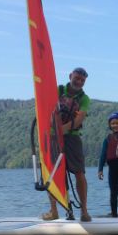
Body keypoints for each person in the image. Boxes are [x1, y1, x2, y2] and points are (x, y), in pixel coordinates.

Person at [42, 67, 91, 222]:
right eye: (77, 78)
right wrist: (54, 131)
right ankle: (54, 211)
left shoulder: (84, 98)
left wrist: (61, 130)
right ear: (70, 76)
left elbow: (79, 120)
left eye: (82, 80)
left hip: (72, 137)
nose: (79, 82)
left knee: (79, 173)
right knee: (53, 173)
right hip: (53, 137)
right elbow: (47, 106)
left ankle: (84, 211)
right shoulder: (59, 90)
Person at [98, 112, 118, 217]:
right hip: (112, 168)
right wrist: (100, 169)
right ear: (110, 125)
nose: (115, 125)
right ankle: (114, 214)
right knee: (114, 192)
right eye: (113, 123)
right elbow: (103, 155)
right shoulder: (107, 139)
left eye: (117, 123)